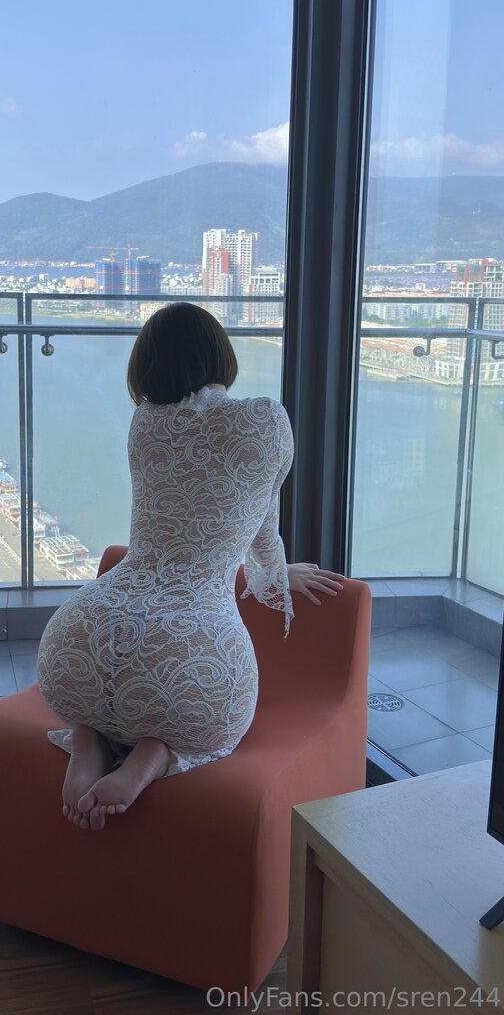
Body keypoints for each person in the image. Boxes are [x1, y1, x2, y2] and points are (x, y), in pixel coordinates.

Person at [36, 302, 344, 831]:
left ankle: (89, 734)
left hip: (76, 645)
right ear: (219, 354)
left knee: (103, 698)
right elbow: (260, 528)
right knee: (220, 717)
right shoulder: (266, 420)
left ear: (145, 366)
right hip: (186, 657)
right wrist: (277, 574)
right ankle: (156, 752)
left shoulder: (144, 424)